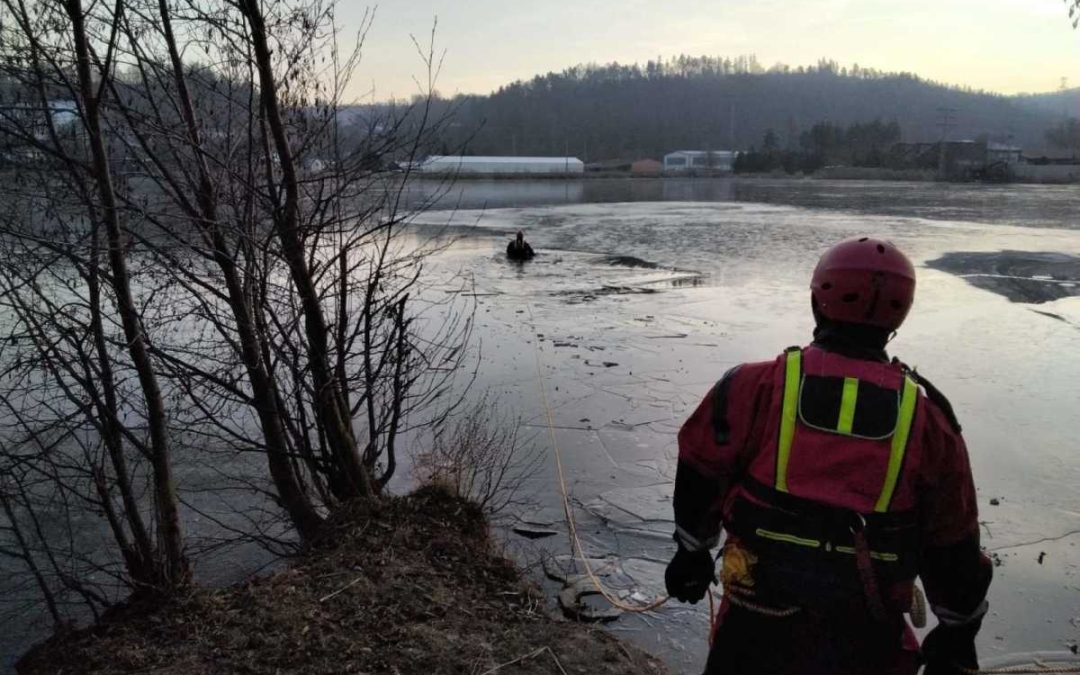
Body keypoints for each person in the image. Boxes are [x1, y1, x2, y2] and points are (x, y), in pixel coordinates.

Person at [665, 237, 992, 675]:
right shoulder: (930, 420)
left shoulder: (753, 386)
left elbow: (700, 468)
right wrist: (957, 631)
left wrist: (691, 551)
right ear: (902, 313)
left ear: (818, 302)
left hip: (755, 627)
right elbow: (953, 539)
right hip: (867, 641)